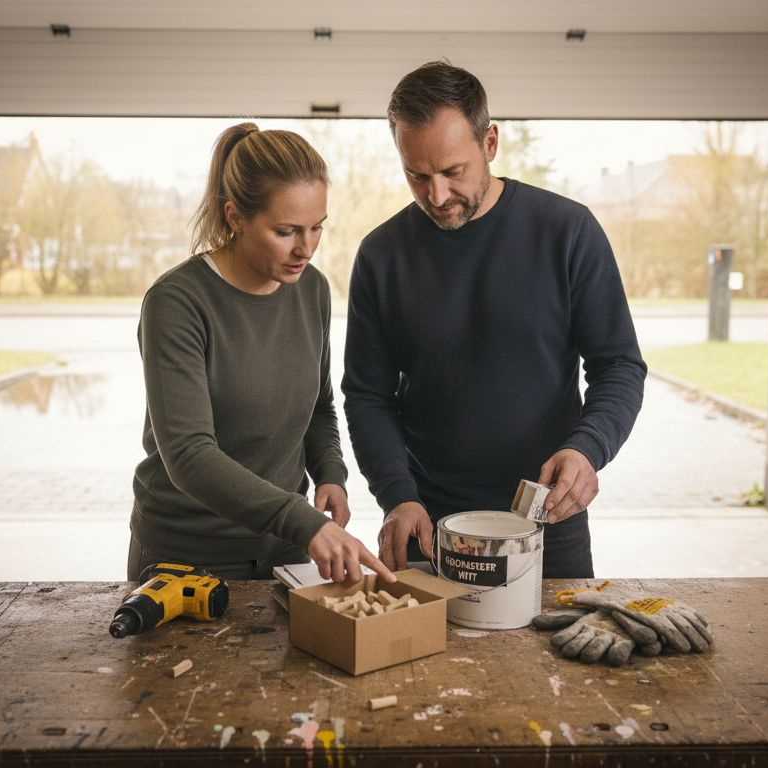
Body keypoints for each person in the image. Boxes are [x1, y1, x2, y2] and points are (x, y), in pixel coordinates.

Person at [342, 62, 647, 578]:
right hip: (428, 523)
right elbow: (368, 395)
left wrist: (588, 448)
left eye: (452, 171)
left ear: (490, 143)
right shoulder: (381, 255)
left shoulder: (567, 231)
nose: (436, 196)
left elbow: (618, 364)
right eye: (417, 175)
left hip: (549, 519)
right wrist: (396, 496)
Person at [130, 122, 393, 586]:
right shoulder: (176, 302)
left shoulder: (311, 289)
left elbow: (318, 406)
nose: (305, 249)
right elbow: (189, 454)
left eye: (317, 228)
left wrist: (330, 472)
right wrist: (303, 520)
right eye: (286, 231)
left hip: (284, 553)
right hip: (187, 556)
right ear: (235, 217)